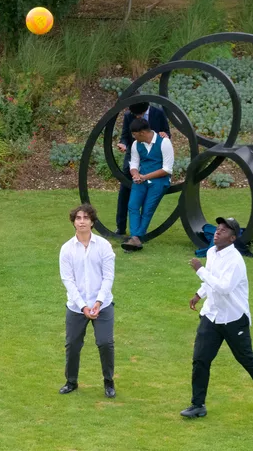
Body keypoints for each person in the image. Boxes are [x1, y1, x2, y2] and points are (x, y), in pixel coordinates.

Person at [181, 217, 253, 418]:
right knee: (200, 360)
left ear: (232, 238)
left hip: (234, 319)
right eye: (218, 228)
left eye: (224, 230)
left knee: (246, 359)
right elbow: (212, 279)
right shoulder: (211, 252)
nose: (217, 232)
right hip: (211, 316)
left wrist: (200, 270)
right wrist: (200, 294)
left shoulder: (235, 261)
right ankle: (198, 405)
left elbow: (224, 287)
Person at [59, 203, 117, 398]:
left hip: (103, 305)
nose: (81, 222)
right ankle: (71, 381)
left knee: (105, 343)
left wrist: (98, 302)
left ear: (92, 221)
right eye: (78, 218)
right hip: (76, 307)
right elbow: (68, 280)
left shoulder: (104, 246)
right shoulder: (67, 249)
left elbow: (108, 277)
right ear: (74, 222)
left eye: (85, 218)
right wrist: (83, 305)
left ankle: (109, 382)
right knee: (73, 345)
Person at [116, 102, 169, 237]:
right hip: (134, 155)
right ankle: (121, 227)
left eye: (139, 114)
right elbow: (126, 136)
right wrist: (123, 143)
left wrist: (165, 135)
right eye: (135, 115)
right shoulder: (129, 115)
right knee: (125, 193)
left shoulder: (158, 113)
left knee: (146, 200)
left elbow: (166, 132)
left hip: (153, 159)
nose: (137, 117)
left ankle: (137, 233)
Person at [123, 117, 174, 252]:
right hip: (141, 179)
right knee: (133, 205)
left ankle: (136, 238)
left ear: (142, 133)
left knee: (147, 209)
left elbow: (167, 169)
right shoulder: (136, 144)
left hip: (159, 181)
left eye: (134, 134)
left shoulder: (164, 143)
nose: (133, 137)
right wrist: (135, 174)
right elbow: (134, 163)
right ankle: (136, 238)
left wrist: (145, 177)